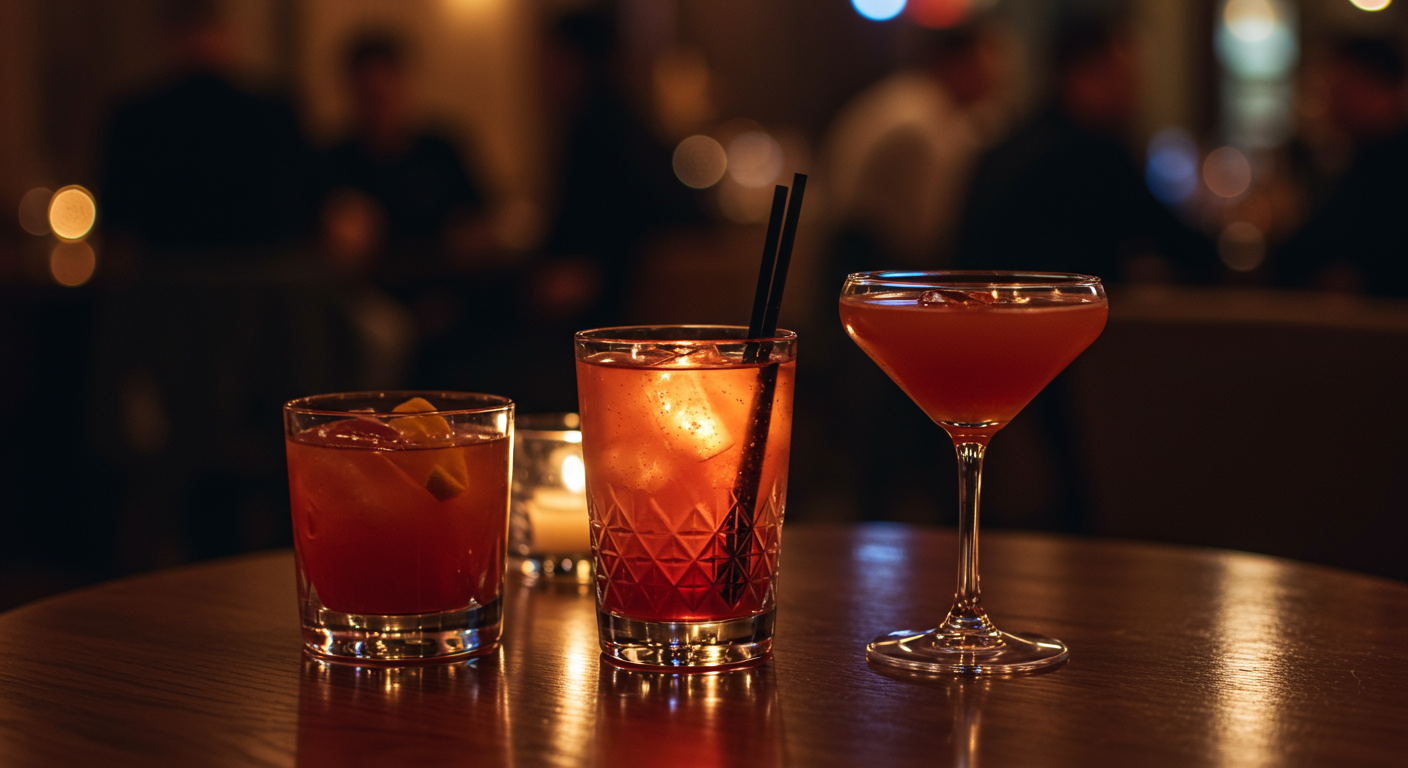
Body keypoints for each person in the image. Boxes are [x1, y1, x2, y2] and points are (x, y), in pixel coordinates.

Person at [954, 16, 1218, 284]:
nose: (1136, 94)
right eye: (1125, 77)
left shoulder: (1015, 142)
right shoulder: (1091, 152)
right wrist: (1227, 258)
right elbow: (1171, 238)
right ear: (1085, 76)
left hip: (988, 303)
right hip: (1055, 307)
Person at [100, 0, 316, 261]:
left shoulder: (133, 116)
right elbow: (301, 202)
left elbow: (116, 215)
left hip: (171, 267)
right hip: (254, 267)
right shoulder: (272, 110)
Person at [1276, 38, 1408, 297]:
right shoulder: (1369, 157)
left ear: (1375, 88)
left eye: (1340, 92)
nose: (1329, 107)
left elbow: (1309, 251)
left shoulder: (1383, 166)